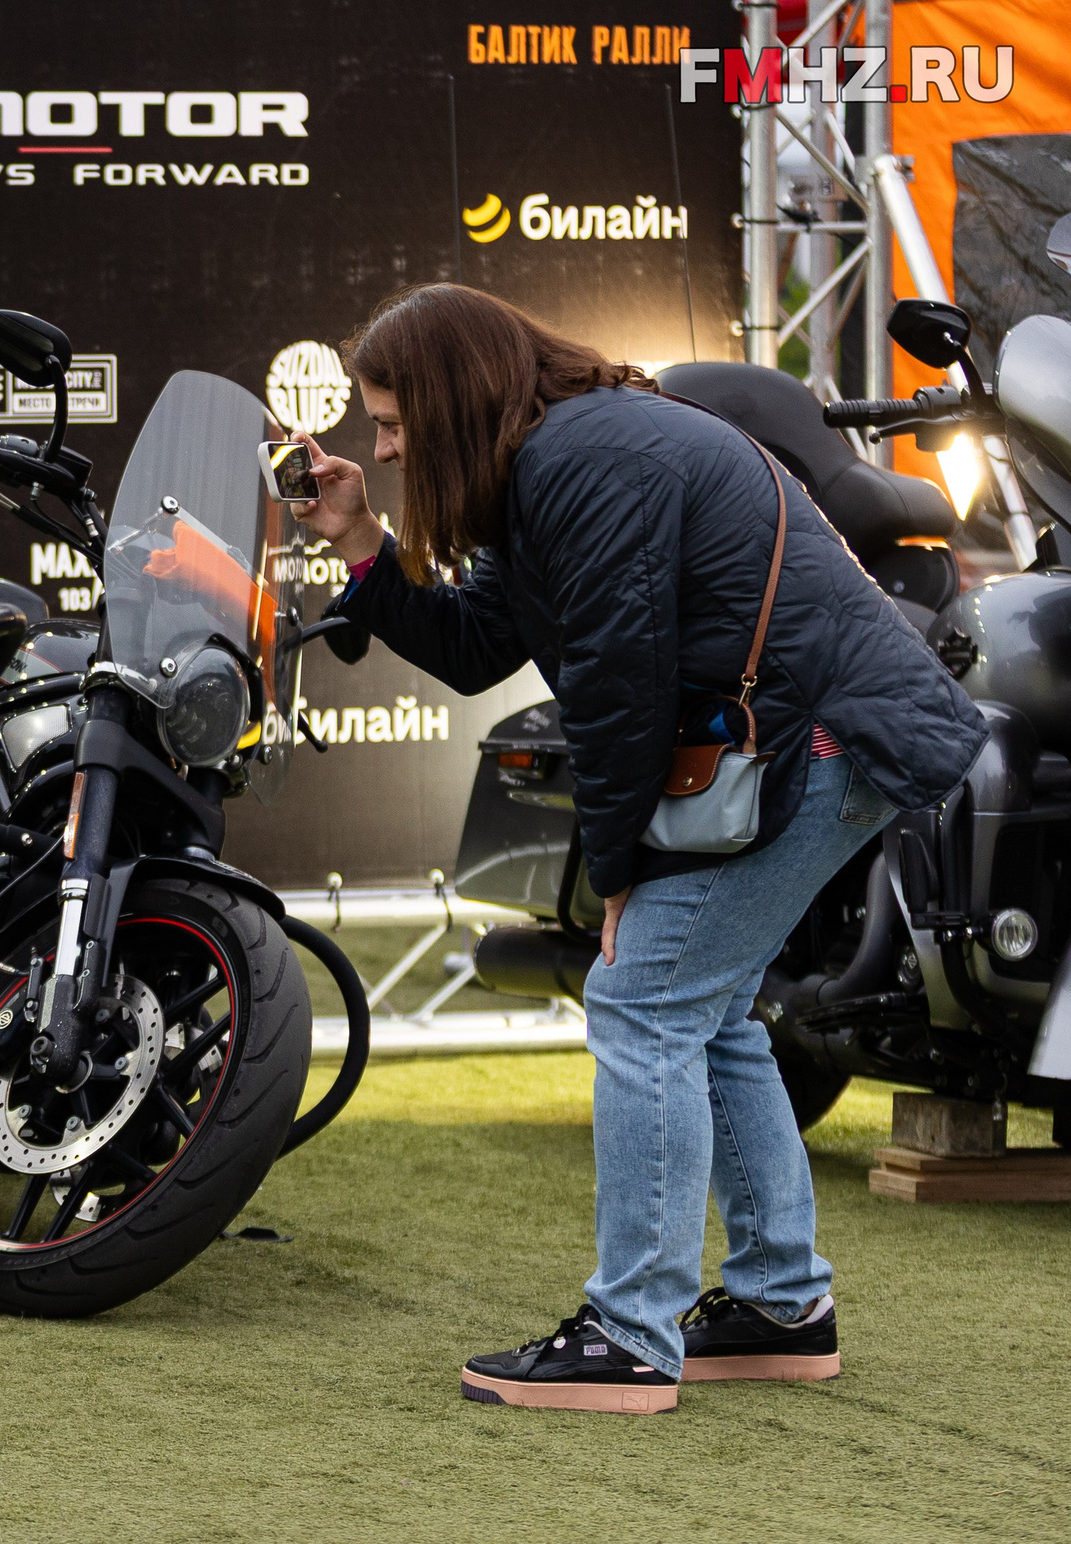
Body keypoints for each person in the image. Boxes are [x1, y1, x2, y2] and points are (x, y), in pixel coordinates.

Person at [296, 284, 986, 1413]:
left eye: (389, 422)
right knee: (700, 1008)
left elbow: (618, 690)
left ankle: (630, 1335)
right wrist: (366, 545)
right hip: (818, 737)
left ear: (454, 395)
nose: (378, 446)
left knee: (643, 1000)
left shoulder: (583, 460)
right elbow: (477, 649)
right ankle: (777, 1305)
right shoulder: (551, 457)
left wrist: (618, 873)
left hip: (820, 737)